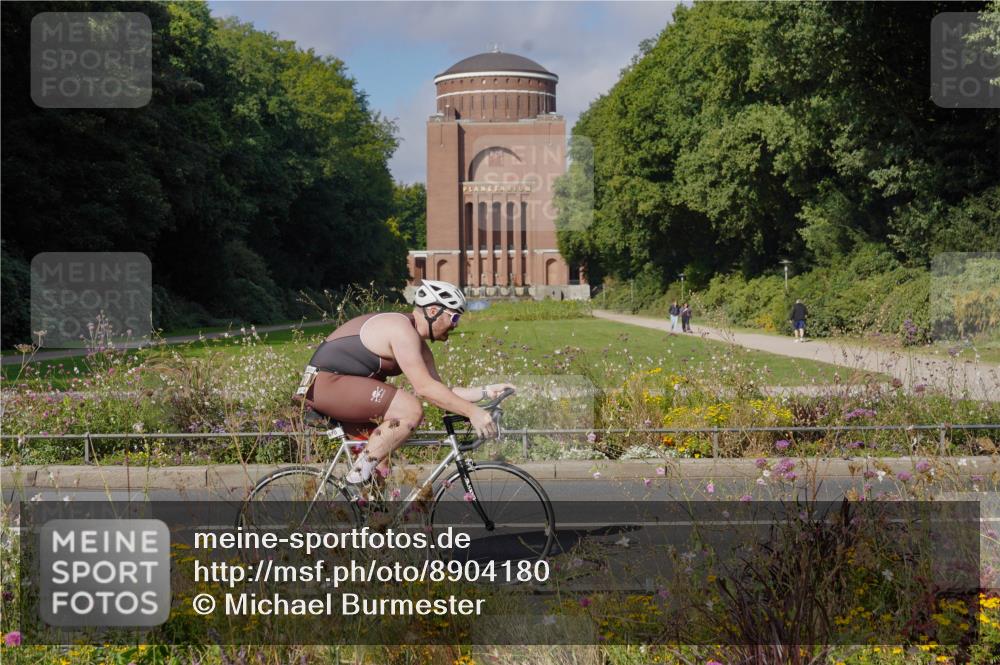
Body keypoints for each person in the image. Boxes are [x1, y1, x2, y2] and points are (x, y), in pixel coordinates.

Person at [295, 279, 513, 484]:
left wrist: (486, 391)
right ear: (434, 311)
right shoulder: (402, 330)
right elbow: (425, 389)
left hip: (339, 386)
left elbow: (440, 390)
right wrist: (472, 412)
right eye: (454, 317)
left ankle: (368, 507)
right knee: (409, 409)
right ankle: (356, 477)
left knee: (379, 467)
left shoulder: (418, 344)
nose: (456, 325)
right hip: (327, 384)